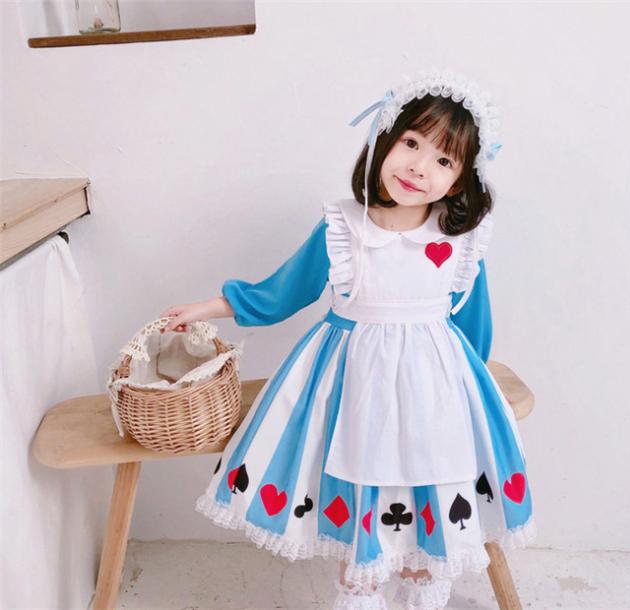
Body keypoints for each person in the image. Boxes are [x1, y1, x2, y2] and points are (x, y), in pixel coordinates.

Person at [160, 68, 536, 610]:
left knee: (428, 488)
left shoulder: (459, 242)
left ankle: (422, 587)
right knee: (363, 484)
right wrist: (211, 307)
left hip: (432, 391)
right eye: (411, 143)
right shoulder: (343, 227)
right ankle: (362, 591)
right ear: (384, 140)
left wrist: (472, 395)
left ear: (458, 182)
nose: (419, 166)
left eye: (444, 160)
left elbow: (475, 326)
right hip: (352, 386)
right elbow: (284, 291)